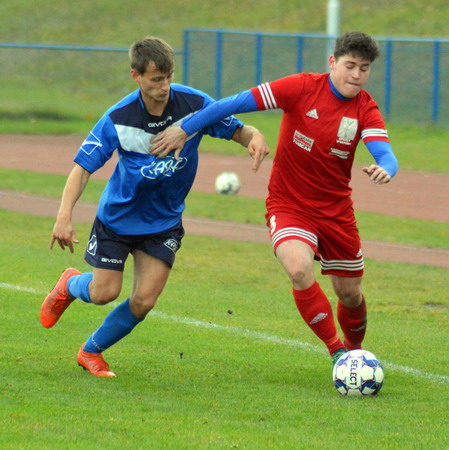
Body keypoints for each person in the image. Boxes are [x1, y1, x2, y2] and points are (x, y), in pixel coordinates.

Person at [151, 32, 399, 365]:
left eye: (364, 69)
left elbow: (385, 153)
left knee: (350, 294)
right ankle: (338, 353)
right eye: (350, 65)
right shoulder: (301, 87)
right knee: (298, 270)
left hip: (337, 211)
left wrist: (386, 168)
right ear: (332, 62)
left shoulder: (364, 108)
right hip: (289, 205)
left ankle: (355, 352)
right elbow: (234, 103)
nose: (356, 75)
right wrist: (186, 127)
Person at [40, 36, 269, 377]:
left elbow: (237, 130)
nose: (165, 86)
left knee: (144, 301)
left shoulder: (194, 104)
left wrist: (255, 137)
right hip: (118, 220)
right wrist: (63, 216)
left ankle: (91, 351)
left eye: (169, 76)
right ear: (136, 76)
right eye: (156, 79)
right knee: (103, 293)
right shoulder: (118, 117)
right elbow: (82, 168)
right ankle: (70, 284)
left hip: (163, 222)